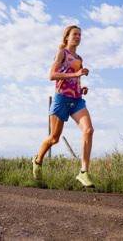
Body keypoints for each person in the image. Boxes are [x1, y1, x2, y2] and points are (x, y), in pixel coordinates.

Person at [32, 25, 95, 188]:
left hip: (77, 100)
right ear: (67, 37)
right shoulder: (62, 53)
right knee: (54, 138)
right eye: (75, 34)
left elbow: (75, 79)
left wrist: (81, 88)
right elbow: (52, 75)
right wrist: (75, 74)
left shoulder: (79, 58)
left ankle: (83, 172)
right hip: (61, 99)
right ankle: (38, 160)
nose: (78, 37)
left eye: (80, 35)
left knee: (88, 130)